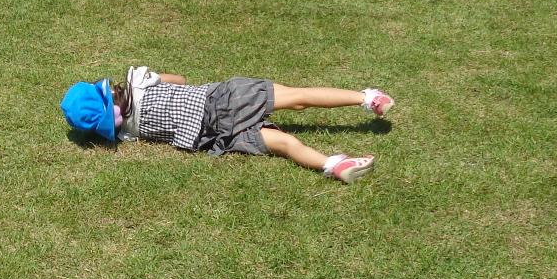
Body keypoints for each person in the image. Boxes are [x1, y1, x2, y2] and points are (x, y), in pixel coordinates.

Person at [60, 68, 392, 183]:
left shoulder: (129, 133)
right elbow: (181, 79)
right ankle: (366, 98)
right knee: (298, 97)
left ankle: (332, 164)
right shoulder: (138, 81)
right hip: (223, 100)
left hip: (213, 135)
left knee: (284, 143)